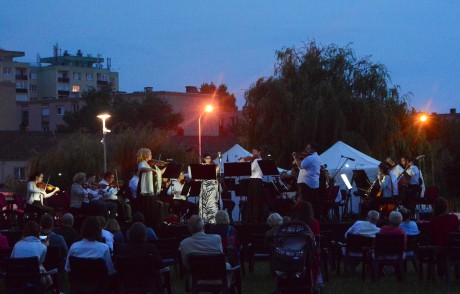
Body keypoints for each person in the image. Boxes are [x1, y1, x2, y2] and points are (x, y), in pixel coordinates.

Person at [116, 222, 164, 293]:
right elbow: (160, 264)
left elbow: (117, 267)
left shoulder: (122, 249)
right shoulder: (150, 248)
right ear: (144, 235)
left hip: (128, 283)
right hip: (148, 282)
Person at [11, 220, 52, 286]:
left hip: (17, 279)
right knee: (42, 271)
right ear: (38, 232)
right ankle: (51, 285)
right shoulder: (42, 247)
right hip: (34, 279)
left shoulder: (17, 245)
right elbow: (41, 263)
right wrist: (45, 246)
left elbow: (12, 260)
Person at [293, 143, 321, 218]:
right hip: (312, 183)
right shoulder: (317, 157)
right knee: (312, 202)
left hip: (306, 183)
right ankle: (313, 217)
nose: (306, 150)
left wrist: (295, 157)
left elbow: (300, 166)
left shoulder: (310, 158)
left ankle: (305, 217)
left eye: (308, 148)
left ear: (313, 149)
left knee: (305, 202)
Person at [137, 148, 161, 227]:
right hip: (145, 190)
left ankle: (153, 224)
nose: (151, 155)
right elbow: (141, 169)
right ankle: (147, 224)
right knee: (146, 207)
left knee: (152, 207)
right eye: (150, 154)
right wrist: (152, 170)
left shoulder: (149, 164)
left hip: (151, 189)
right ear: (146, 155)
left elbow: (158, 172)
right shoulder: (142, 163)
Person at [199, 152, 220, 224]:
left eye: (209, 158)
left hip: (212, 186)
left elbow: (216, 176)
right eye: (207, 158)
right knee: (204, 202)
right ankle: (204, 219)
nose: (208, 160)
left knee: (212, 203)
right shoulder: (201, 166)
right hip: (204, 186)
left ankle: (212, 220)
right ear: (204, 159)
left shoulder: (214, 166)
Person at [244, 147, 263, 223]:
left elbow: (250, 169)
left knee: (253, 200)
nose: (253, 154)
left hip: (255, 181)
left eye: (255, 152)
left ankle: (253, 217)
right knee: (254, 199)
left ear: (259, 152)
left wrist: (245, 161)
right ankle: (254, 217)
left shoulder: (257, 160)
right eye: (253, 152)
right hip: (256, 181)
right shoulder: (255, 160)